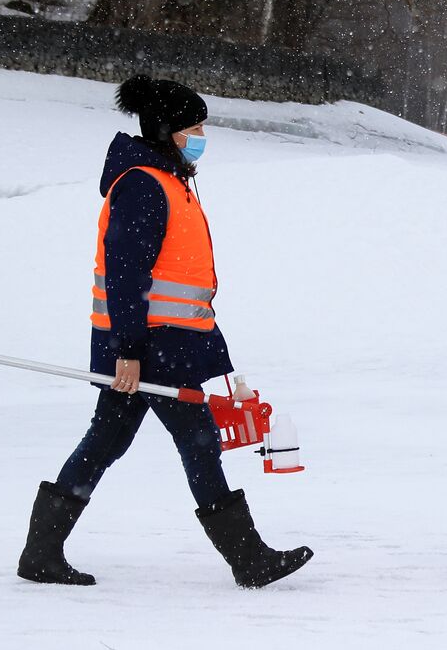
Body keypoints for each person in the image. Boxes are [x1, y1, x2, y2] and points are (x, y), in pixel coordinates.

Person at [16, 75, 313, 588]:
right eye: (191, 127)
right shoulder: (144, 185)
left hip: (162, 342)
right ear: (163, 130)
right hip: (147, 345)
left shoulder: (170, 181)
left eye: (202, 125)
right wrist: (127, 351)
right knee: (197, 441)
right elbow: (126, 274)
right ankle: (249, 559)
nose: (200, 135)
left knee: (106, 441)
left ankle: (40, 553)